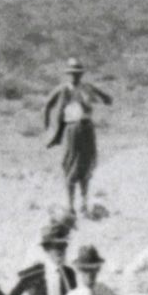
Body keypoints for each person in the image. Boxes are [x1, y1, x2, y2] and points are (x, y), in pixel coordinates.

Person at [40, 58, 111, 220]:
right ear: (68, 74)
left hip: (87, 129)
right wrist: (48, 127)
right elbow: (47, 105)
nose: (75, 76)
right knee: (70, 165)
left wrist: (100, 98)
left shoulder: (87, 88)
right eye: (72, 73)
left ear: (82, 74)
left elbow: (107, 99)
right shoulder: (63, 89)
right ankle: (70, 206)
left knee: (86, 166)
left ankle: (84, 204)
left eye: (77, 73)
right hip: (71, 129)